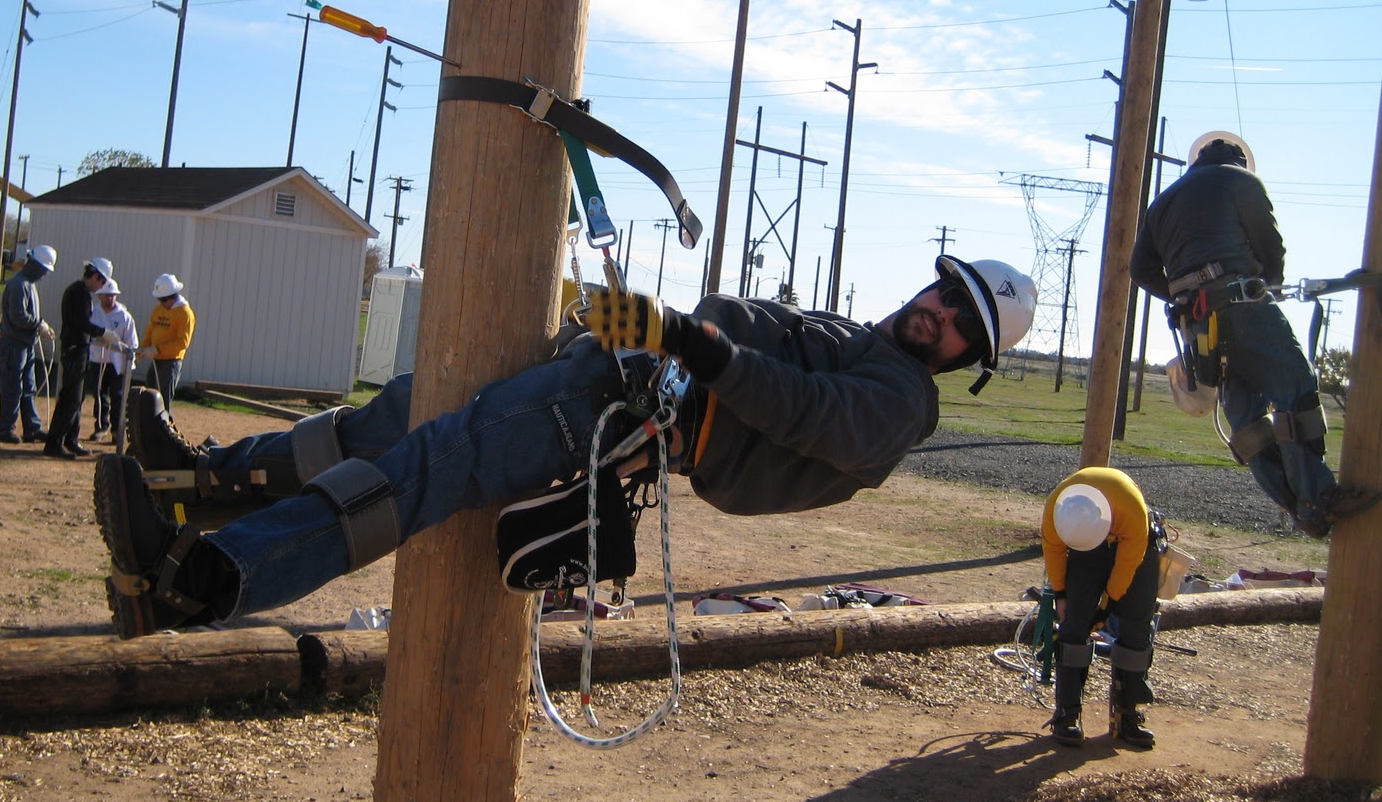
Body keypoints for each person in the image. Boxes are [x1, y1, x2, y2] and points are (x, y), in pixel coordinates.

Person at [95, 254, 1037, 639]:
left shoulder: (900, 402)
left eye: (962, 322)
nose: (939, 312)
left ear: (973, 360)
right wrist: (636, 330)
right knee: (398, 414)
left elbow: (800, 412)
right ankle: (201, 480)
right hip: (610, 373)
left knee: (427, 468)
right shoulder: (869, 342)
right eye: (946, 290)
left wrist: (686, 339)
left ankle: (211, 579)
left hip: (617, 418)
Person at [1130, 133, 1379, 538]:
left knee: (1247, 420)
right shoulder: (1242, 181)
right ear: (1240, 160)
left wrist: (1185, 293)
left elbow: (1140, 270)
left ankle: (1300, 508)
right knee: (1296, 389)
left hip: (1199, 325)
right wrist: (1263, 287)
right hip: (1242, 304)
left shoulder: (1163, 202)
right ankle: (1318, 498)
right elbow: (1271, 251)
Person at [1039, 467, 1162, 751]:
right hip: (1086, 550)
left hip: (1133, 547)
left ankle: (1126, 714)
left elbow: (1126, 568)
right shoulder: (1056, 510)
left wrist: (1106, 608)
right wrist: (1061, 594)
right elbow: (1054, 552)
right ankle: (1067, 713)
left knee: (1136, 624)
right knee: (1074, 623)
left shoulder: (1132, 510)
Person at [42, 257, 116, 459]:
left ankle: (70, 440)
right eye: (101, 282)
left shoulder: (78, 291)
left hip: (77, 350)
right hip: (75, 350)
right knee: (70, 399)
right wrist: (102, 332)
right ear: (95, 276)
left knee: (77, 398)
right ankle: (54, 442)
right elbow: (81, 322)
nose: (100, 287)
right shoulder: (80, 293)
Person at [0, 244, 57, 444]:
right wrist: (39, 325)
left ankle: (32, 427)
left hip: (25, 344)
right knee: (13, 388)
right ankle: (6, 429)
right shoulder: (19, 284)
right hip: (14, 344)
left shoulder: (28, 284)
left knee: (28, 387)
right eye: (45, 270)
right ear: (35, 266)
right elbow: (17, 316)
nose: (45, 275)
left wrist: (39, 327)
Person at [88, 277, 139, 442]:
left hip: (118, 362)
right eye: (106, 295)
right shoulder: (94, 313)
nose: (109, 298)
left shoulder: (124, 316)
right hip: (98, 360)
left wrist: (127, 358)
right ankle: (101, 426)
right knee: (99, 394)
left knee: (118, 396)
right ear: (100, 296)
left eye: (112, 295)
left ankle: (117, 430)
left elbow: (132, 341)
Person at [139, 273, 195, 412]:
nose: (161, 303)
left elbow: (182, 343)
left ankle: (163, 430)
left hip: (170, 362)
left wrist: (157, 350)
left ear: (173, 296)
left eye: (163, 300)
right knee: (149, 397)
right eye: (160, 299)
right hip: (156, 361)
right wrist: (142, 349)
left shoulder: (184, 313)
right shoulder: (158, 310)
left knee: (162, 401)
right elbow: (150, 331)